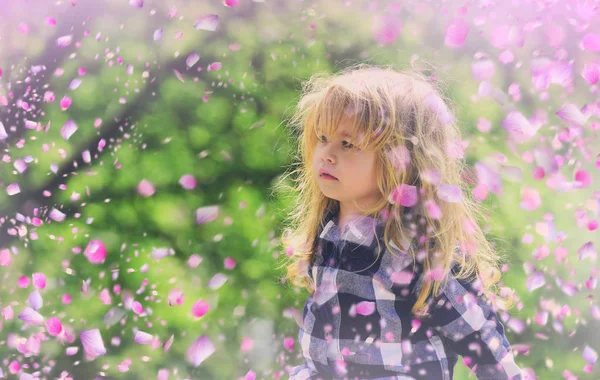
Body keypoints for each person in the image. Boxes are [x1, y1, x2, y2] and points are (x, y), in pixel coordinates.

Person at [274, 63, 524, 380]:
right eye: (322, 137)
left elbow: (483, 343)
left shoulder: (418, 251)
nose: (327, 153)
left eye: (347, 143)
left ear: (399, 159)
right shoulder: (328, 233)